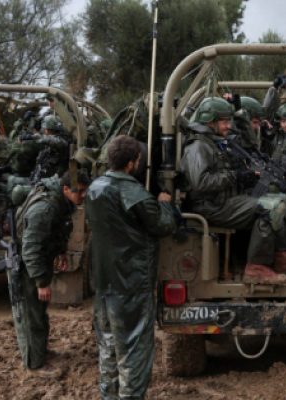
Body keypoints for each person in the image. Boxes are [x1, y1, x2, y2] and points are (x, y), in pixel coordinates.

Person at [180, 97, 286, 284]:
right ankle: (256, 268)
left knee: (278, 203)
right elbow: (201, 182)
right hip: (210, 206)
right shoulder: (198, 146)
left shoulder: (212, 141)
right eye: (224, 121)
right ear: (210, 121)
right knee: (269, 209)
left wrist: (242, 174)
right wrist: (236, 176)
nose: (228, 126)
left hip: (222, 201)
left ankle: (281, 257)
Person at [86, 135, 176, 399]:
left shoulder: (94, 188)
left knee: (108, 349)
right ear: (132, 163)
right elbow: (162, 226)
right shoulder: (135, 194)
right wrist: (164, 204)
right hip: (132, 285)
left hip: (104, 284)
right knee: (134, 354)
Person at [10, 169, 90, 374]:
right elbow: (30, 248)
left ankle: (40, 352)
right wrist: (41, 282)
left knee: (39, 310)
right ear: (65, 189)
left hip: (38, 260)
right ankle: (35, 364)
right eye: (78, 191)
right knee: (31, 314)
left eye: (84, 191)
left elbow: (59, 229)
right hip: (28, 264)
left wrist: (61, 252)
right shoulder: (45, 209)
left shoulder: (62, 202)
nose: (83, 195)